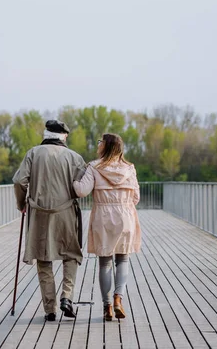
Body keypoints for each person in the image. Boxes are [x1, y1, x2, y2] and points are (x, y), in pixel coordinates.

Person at [13, 120, 87, 321]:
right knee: (70, 254)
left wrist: (22, 204)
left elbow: (20, 181)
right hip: (66, 213)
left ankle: (50, 309)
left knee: (43, 258)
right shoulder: (74, 157)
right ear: (64, 136)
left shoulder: (33, 153)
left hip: (39, 215)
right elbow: (81, 188)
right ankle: (67, 297)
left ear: (46, 135)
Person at [73, 133, 141, 321]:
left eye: (100, 142)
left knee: (105, 263)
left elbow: (81, 191)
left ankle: (107, 307)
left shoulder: (94, 167)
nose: (98, 144)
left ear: (107, 146)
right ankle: (118, 299)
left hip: (103, 216)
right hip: (125, 215)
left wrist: (73, 181)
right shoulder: (129, 169)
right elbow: (136, 197)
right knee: (123, 260)